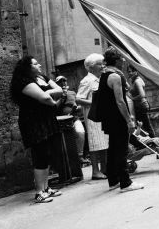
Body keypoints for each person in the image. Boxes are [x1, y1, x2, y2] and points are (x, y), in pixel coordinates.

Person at [10, 56, 64, 203]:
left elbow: (59, 90)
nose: (39, 65)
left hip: (46, 119)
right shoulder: (24, 82)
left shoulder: (41, 77)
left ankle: (46, 188)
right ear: (27, 68)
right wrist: (51, 97)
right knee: (40, 154)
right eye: (35, 64)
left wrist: (49, 94)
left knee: (47, 154)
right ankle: (39, 192)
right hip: (33, 121)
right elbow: (44, 98)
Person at [96, 47, 144, 192]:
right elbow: (120, 101)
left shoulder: (105, 74)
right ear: (116, 60)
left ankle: (113, 181)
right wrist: (129, 120)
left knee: (112, 149)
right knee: (121, 150)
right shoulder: (114, 77)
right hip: (117, 118)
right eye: (121, 58)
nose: (123, 60)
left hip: (109, 118)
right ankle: (125, 182)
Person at [76, 53, 109, 180]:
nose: (103, 66)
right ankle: (95, 171)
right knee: (95, 143)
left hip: (102, 115)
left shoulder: (101, 79)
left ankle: (104, 168)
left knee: (104, 142)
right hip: (92, 117)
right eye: (100, 64)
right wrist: (95, 103)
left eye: (103, 63)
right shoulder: (87, 81)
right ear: (90, 67)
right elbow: (79, 99)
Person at [54, 76, 88, 166]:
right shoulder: (55, 94)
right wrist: (62, 97)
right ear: (56, 84)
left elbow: (80, 106)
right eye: (60, 82)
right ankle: (69, 160)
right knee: (66, 140)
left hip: (74, 117)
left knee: (81, 132)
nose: (63, 83)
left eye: (64, 81)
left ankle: (80, 156)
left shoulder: (72, 93)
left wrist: (76, 107)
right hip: (61, 120)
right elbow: (54, 108)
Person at [126, 66, 156, 137]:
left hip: (141, 105)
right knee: (141, 125)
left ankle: (155, 142)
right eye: (128, 72)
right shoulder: (134, 80)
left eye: (130, 71)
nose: (129, 73)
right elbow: (133, 90)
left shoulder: (137, 81)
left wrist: (133, 98)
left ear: (135, 71)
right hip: (139, 106)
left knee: (146, 125)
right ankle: (150, 142)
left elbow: (142, 94)